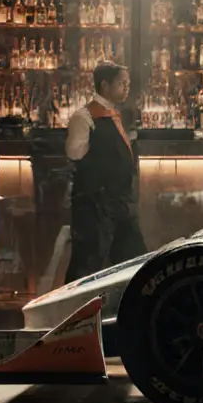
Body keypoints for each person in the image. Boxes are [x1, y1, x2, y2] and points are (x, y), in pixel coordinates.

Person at [64, 60, 147, 282]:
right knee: (87, 266)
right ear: (104, 85)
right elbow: (74, 154)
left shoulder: (115, 114)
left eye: (128, 83)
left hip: (121, 203)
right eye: (122, 83)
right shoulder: (84, 117)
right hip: (95, 205)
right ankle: (72, 314)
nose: (126, 88)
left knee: (135, 263)